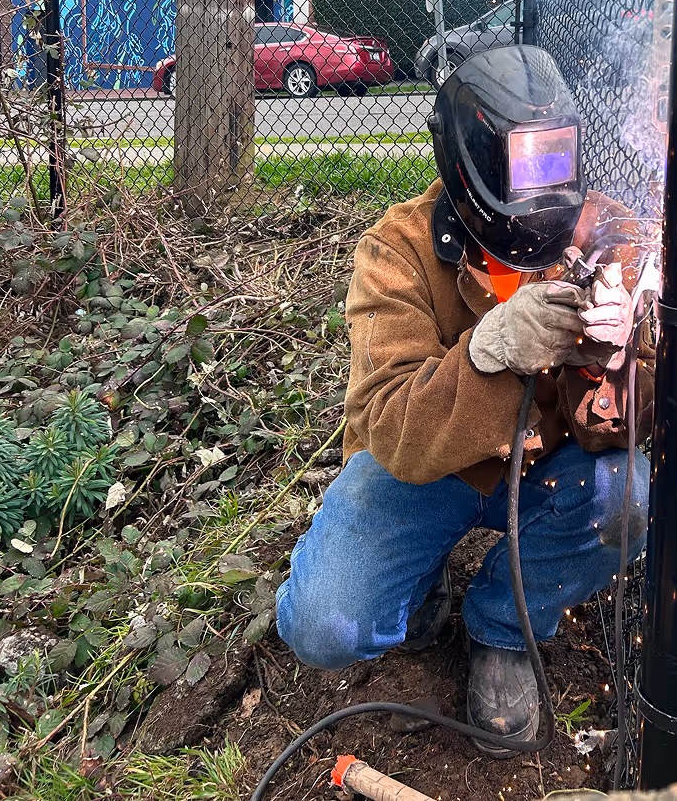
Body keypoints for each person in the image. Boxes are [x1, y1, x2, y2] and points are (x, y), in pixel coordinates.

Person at [276, 45, 653, 754]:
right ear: (470, 164)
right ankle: (419, 594)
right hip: (432, 466)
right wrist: (487, 353)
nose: (541, 198)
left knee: (627, 494)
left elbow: (640, 422)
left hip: (547, 472)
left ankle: (503, 624)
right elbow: (390, 428)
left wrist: (614, 358)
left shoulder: (610, 235)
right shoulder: (398, 248)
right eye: (522, 166)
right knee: (323, 624)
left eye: (553, 164)